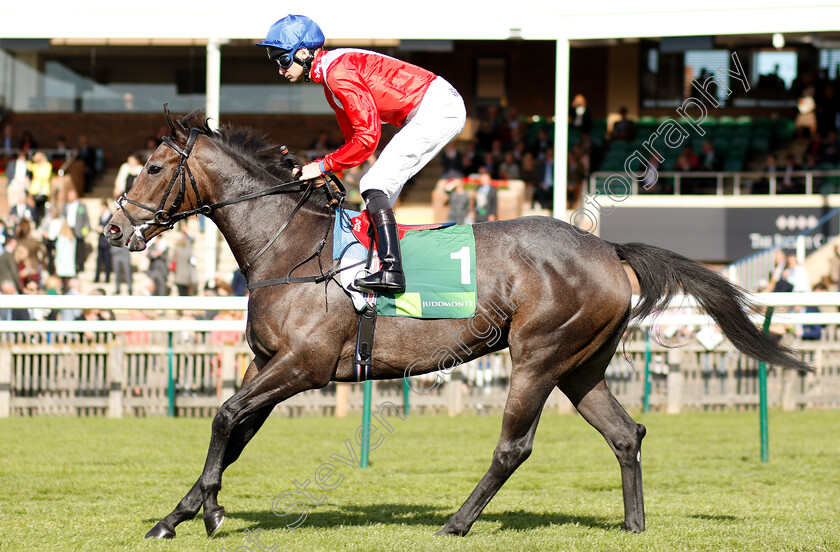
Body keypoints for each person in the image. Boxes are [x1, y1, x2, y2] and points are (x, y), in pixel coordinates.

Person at [257, 14, 466, 294]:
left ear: (304, 53)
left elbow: (368, 139)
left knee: (373, 184)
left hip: (437, 109)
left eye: (283, 60)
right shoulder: (330, 79)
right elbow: (353, 141)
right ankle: (379, 267)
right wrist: (322, 169)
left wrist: (321, 167)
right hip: (431, 107)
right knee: (375, 199)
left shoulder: (337, 74)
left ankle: (393, 272)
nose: (281, 70)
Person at [62, 188, 90, 274]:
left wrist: (87, 229)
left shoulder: (81, 206)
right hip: (69, 229)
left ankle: (80, 265)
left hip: (78, 229)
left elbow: (86, 219)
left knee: (79, 249)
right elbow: (63, 217)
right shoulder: (66, 206)